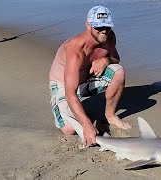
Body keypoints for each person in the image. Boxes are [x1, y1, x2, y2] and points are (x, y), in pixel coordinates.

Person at [49, 5, 131, 147]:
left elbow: (116, 58)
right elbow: (70, 93)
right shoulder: (76, 49)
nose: (104, 31)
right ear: (88, 25)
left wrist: (106, 60)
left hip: (89, 78)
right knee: (69, 130)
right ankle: (78, 114)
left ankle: (110, 115)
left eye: (107, 26)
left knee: (118, 72)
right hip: (64, 85)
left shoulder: (109, 37)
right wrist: (87, 125)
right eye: (99, 27)